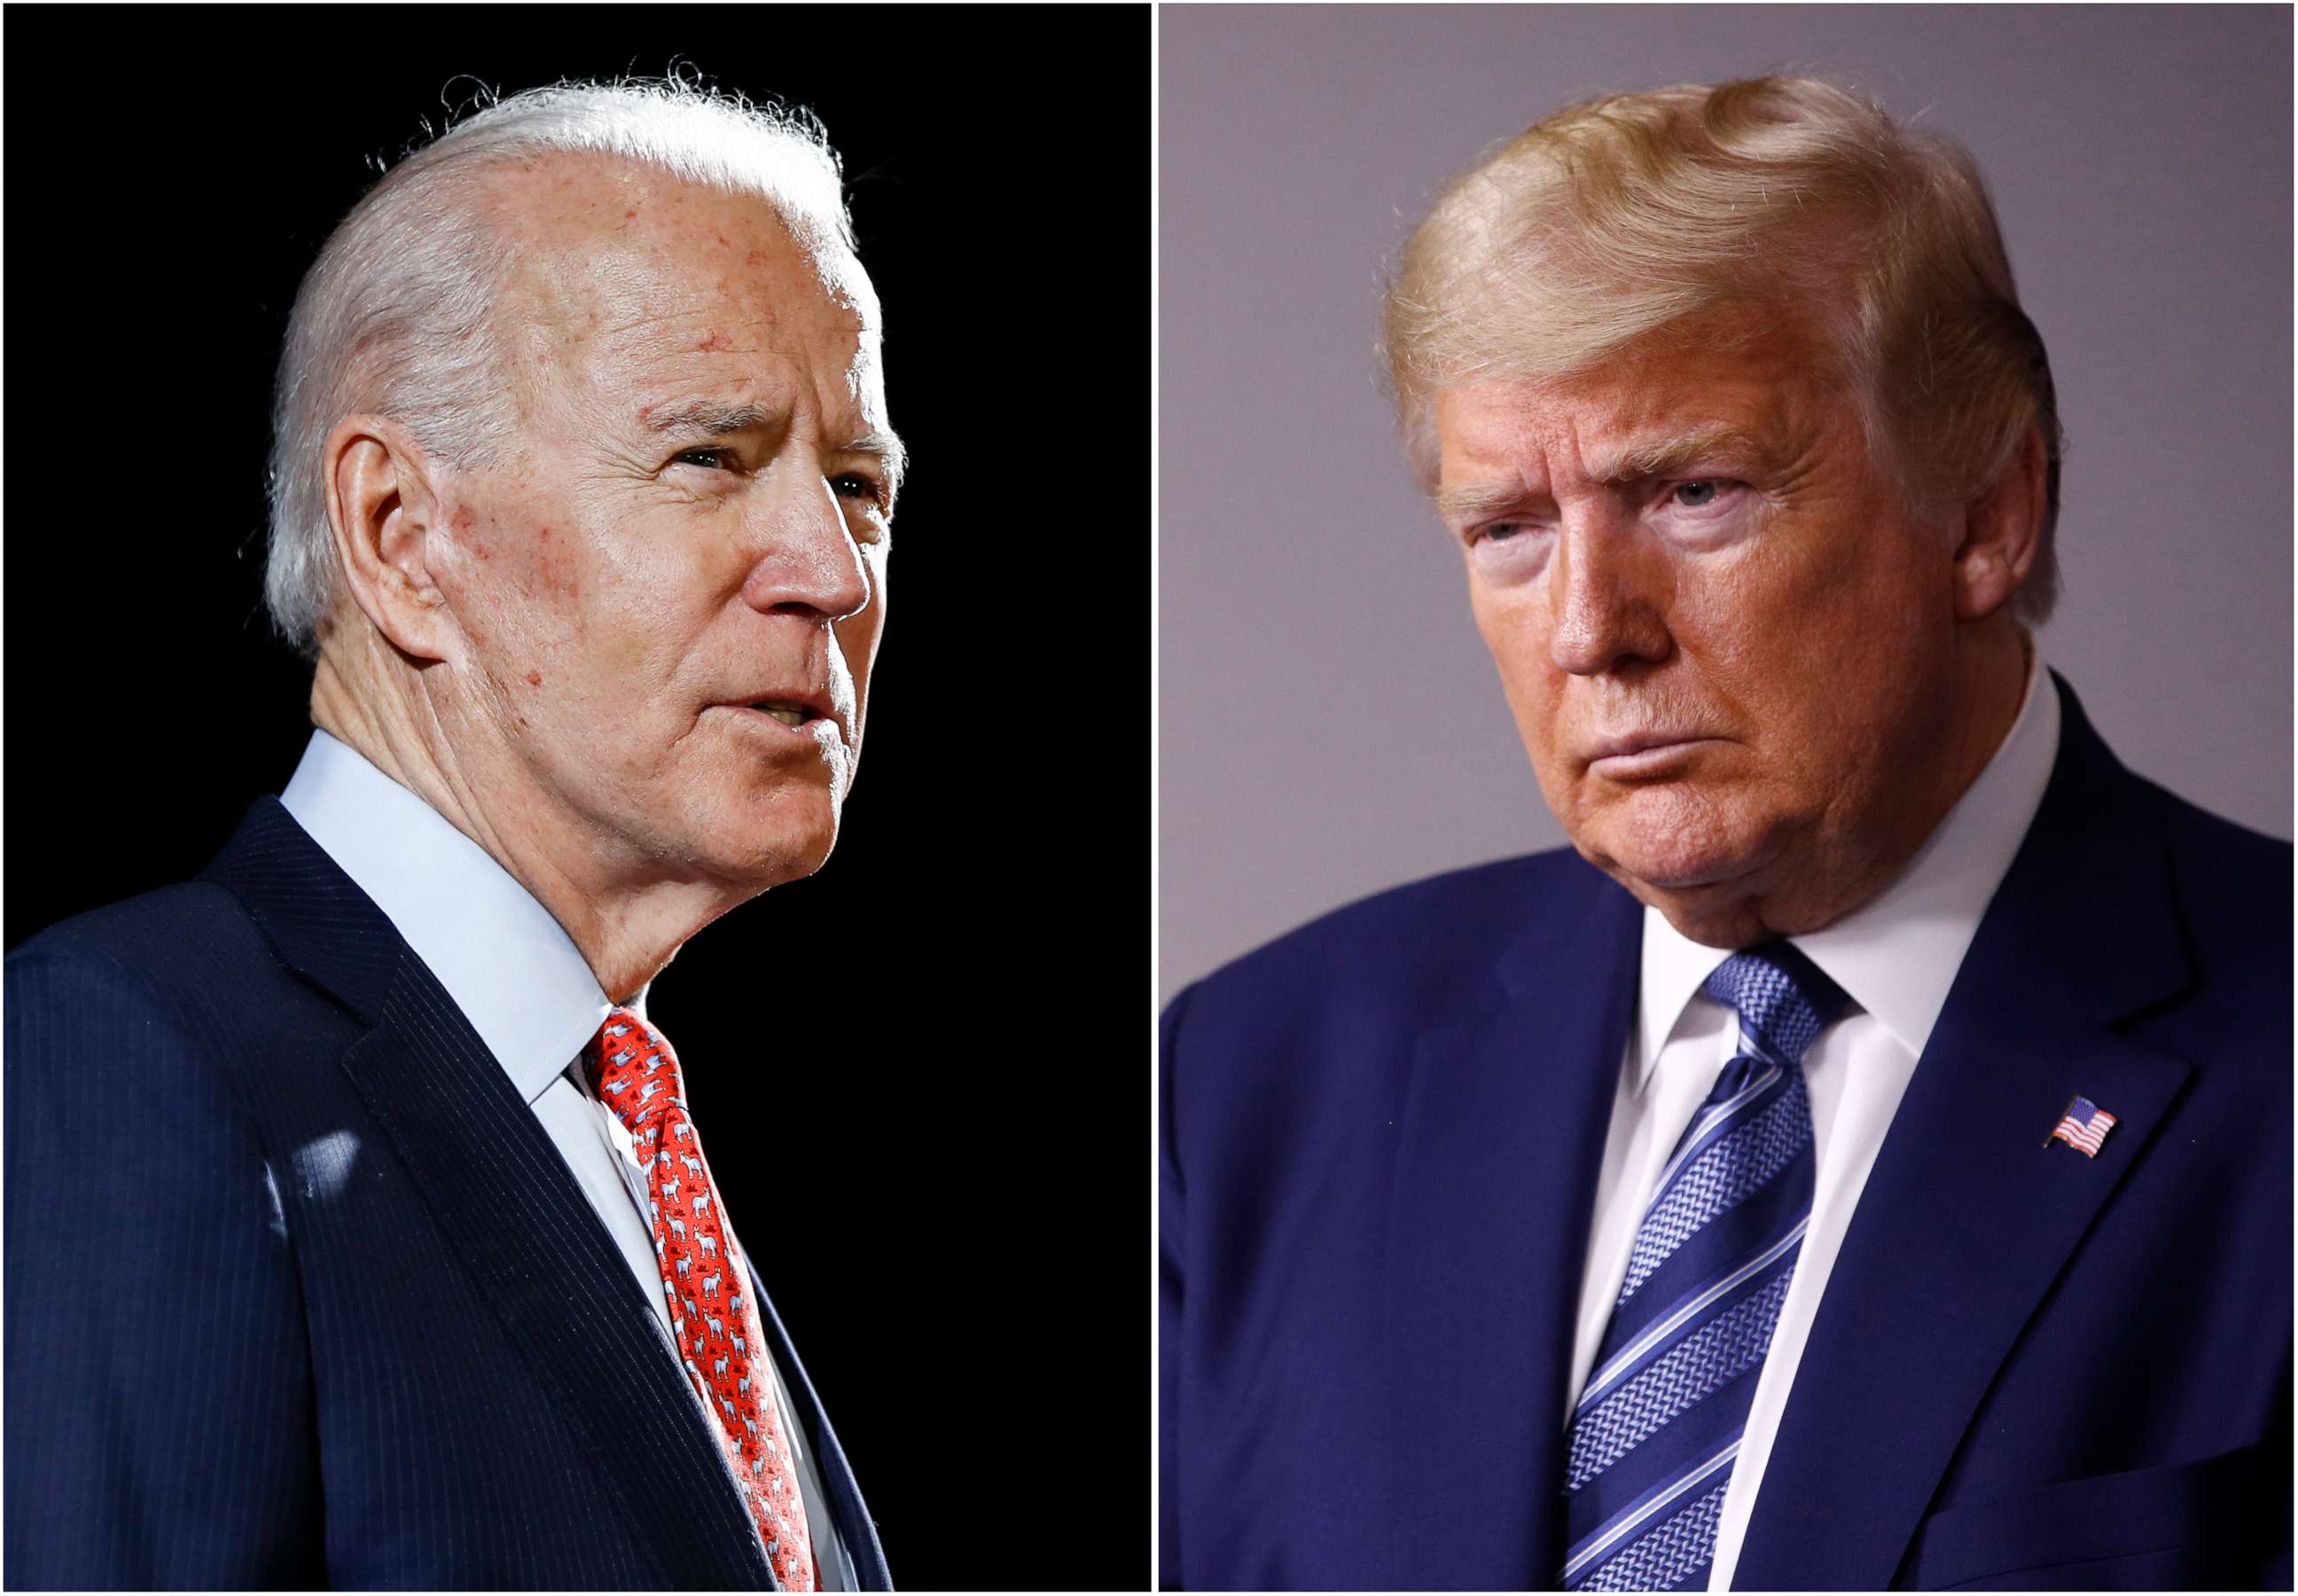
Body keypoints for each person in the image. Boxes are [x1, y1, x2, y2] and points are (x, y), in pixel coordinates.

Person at [1159, 76, 2289, 1592]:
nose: (1586, 631)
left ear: (1987, 512)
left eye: (1694, 492)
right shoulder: (1248, 1082)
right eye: (1508, 528)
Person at [6, 80, 899, 1591]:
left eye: (861, 485)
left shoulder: (619, 1131)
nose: (829, 568)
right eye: (709, 458)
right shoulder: (128, 1058)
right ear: (401, 534)